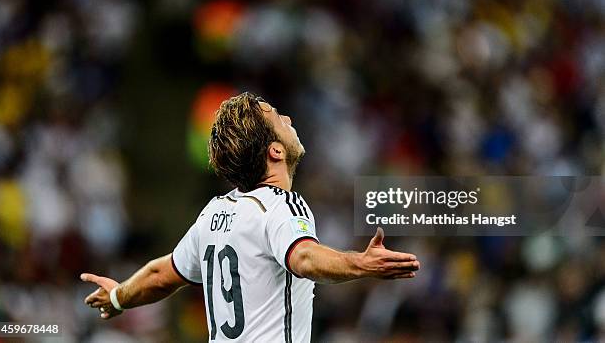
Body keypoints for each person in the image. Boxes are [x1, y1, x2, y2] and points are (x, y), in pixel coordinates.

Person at [81, 92, 420, 342]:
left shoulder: (214, 213)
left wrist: (117, 297)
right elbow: (303, 256)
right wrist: (362, 264)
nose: (288, 120)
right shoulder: (281, 205)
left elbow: (161, 274)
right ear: (275, 151)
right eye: (278, 118)